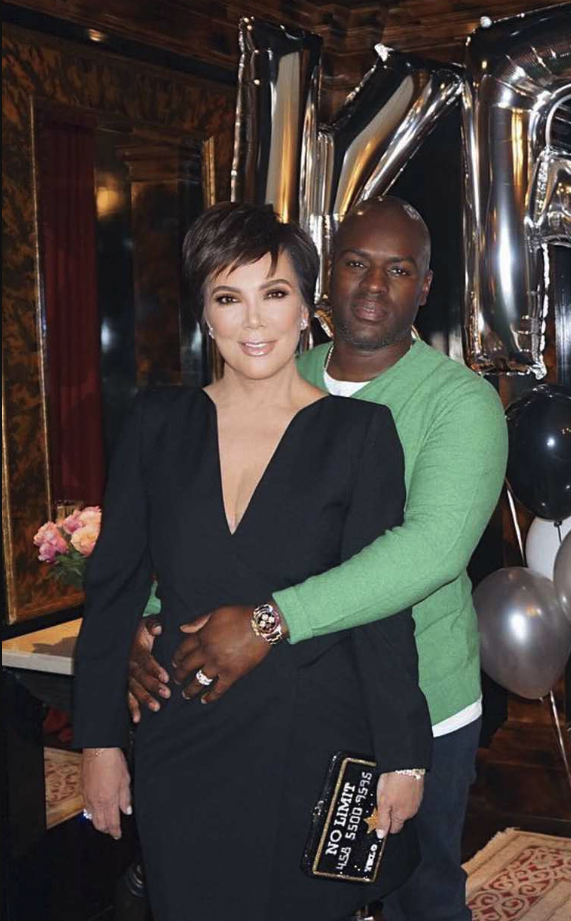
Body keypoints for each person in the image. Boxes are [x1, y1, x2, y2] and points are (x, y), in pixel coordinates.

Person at [128, 196, 509, 921]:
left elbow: (427, 550)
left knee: (413, 890)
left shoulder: (460, 402)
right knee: (290, 886)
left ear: (424, 288)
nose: (373, 285)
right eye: (357, 263)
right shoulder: (273, 369)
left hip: (415, 696)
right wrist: (148, 619)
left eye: (399, 270)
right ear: (325, 279)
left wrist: (271, 620)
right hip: (285, 699)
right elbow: (200, 512)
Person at [74, 203, 432, 921]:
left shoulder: (360, 433)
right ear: (205, 316)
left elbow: (380, 610)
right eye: (228, 298)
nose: (254, 321)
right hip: (185, 738)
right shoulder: (157, 424)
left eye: (275, 293)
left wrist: (404, 754)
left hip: (315, 736)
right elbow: (112, 591)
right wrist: (100, 742)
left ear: (307, 308)